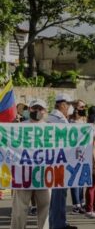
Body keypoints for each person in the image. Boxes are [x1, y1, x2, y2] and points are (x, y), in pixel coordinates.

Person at [10, 99, 51, 229]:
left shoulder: (51, 129)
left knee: (46, 208)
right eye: (35, 108)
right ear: (29, 110)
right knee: (19, 210)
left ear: (45, 111)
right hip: (23, 174)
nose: (37, 111)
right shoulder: (19, 127)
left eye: (40, 109)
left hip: (44, 174)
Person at [48, 93, 77, 229]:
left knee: (56, 196)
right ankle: (58, 224)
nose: (71, 108)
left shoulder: (51, 117)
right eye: (70, 104)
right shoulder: (58, 120)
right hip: (59, 161)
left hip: (54, 161)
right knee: (59, 195)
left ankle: (56, 222)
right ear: (63, 105)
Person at [69, 100, 87, 214]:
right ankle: (76, 204)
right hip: (72, 153)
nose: (84, 108)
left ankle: (82, 201)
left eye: (84, 106)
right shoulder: (70, 122)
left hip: (83, 152)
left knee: (81, 178)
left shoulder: (84, 120)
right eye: (82, 107)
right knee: (74, 179)